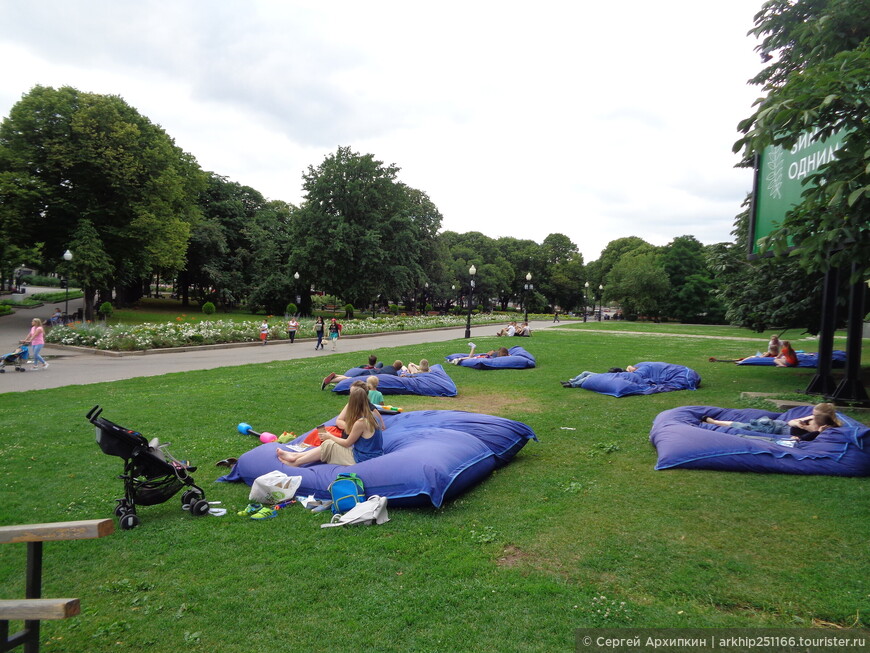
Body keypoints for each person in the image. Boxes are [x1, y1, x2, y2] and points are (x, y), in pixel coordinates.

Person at [276, 386, 384, 467]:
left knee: (328, 444)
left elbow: (347, 443)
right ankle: (294, 456)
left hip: (362, 459)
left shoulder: (361, 422)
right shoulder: (372, 415)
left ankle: (296, 462)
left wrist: (329, 436)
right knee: (329, 444)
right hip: (369, 454)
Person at [703, 403, 841, 441]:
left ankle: (715, 422)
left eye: (815, 414)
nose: (812, 416)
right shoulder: (810, 419)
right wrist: (797, 424)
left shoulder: (825, 428)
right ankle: (716, 422)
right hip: (779, 425)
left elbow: (804, 438)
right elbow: (791, 422)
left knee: (744, 427)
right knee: (746, 425)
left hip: (775, 430)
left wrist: (815, 431)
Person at [322, 360, 403, 389]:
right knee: (350, 379)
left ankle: (335, 376)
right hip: (369, 375)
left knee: (349, 377)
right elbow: (396, 379)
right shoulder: (394, 373)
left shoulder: (388, 367)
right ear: (399, 368)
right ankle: (329, 381)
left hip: (370, 372)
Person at [560, 367, 625, 388]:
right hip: (603, 375)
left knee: (589, 377)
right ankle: (570, 381)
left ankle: (572, 385)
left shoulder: (626, 374)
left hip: (604, 378)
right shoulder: (630, 369)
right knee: (585, 372)